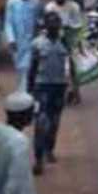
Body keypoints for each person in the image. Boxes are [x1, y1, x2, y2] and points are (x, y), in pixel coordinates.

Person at [28, 10, 79, 175]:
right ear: (45, 24)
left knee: (55, 122)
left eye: (56, 22)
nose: (53, 25)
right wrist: (29, 90)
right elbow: (32, 68)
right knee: (41, 123)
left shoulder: (65, 43)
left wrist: (75, 87)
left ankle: (49, 149)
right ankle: (38, 158)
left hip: (59, 87)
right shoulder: (37, 43)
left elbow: (72, 66)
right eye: (50, 22)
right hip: (41, 87)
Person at [4, 0, 42, 93]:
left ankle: (25, 91)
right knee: (19, 67)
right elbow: (8, 23)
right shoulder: (12, 2)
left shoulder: (36, 2)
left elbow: (39, 20)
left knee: (28, 66)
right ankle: (23, 88)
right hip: (17, 41)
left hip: (31, 40)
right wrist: (11, 40)